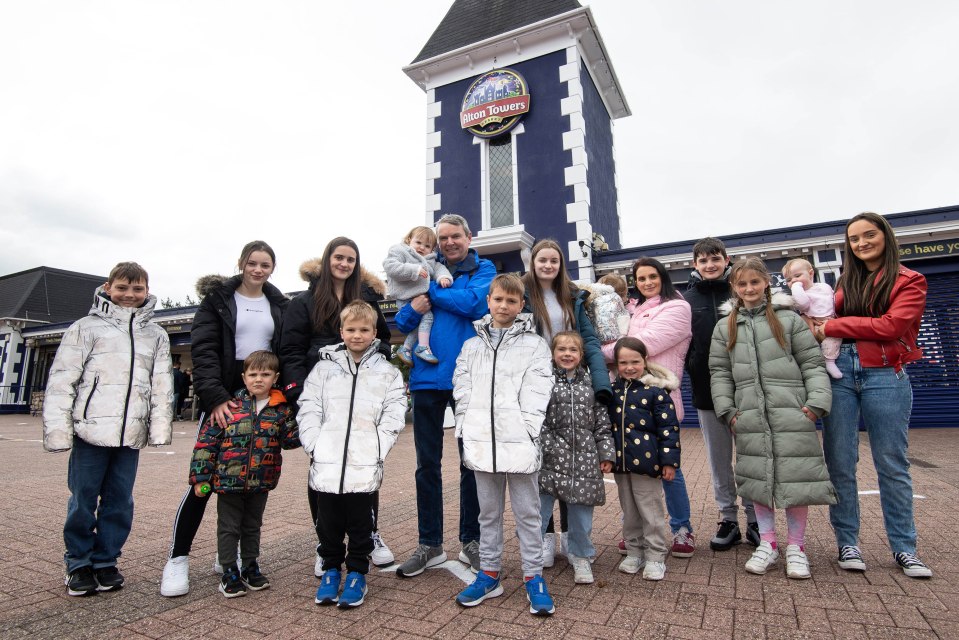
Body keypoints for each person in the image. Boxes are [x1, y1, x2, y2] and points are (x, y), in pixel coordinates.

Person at [161, 240, 288, 597]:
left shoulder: (278, 305)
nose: (258, 270)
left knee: (250, 481)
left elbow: (283, 353)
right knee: (204, 481)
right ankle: (178, 558)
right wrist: (215, 397)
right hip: (224, 400)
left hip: (260, 398)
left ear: (272, 268)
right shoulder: (217, 300)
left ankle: (233, 558)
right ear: (241, 264)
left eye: (265, 264)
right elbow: (203, 351)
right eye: (252, 263)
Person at [813, 212, 932, 578]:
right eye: (854, 239)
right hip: (841, 372)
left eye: (869, 235)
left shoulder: (911, 280)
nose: (862, 243)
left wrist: (832, 326)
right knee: (841, 462)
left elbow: (892, 325)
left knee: (892, 464)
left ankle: (904, 548)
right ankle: (847, 542)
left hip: (886, 372)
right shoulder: (844, 282)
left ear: (885, 236)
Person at [43, 262, 173, 596]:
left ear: (147, 290)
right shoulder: (85, 328)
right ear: (108, 287)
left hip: (130, 435)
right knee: (83, 499)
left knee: (119, 501)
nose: (130, 295)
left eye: (138, 289)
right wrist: (58, 429)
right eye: (123, 288)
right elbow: (62, 379)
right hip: (90, 431)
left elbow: (161, 384)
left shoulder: (155, 334)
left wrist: (158, 427)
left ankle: (106, 561)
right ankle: (78, 563)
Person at [710, 257, 836, 578]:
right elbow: (720, 372)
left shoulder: (789, 319)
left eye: (755, 282)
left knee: (797, 479)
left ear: (766, 282)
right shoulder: (725, 326)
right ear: (734, 288)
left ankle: (796, 547)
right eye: (742, 284)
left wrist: (816, 402)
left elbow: (811, 362)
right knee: (758, 480)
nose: (749, 288)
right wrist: (728, 410)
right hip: (749, 416)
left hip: (792, 412)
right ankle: (768, 542)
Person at [279, 237, 395, 574]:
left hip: (362, 396)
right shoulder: (304, 302)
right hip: (322, 395)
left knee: (365, 464)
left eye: (351, 259)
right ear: (328, 259)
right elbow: (290, 350)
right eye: (339, 257)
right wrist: (300, 393)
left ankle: (368, 535)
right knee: (324, 468)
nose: (344, 264)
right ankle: (326, 544)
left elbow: (384, 340)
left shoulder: (366, 299)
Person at [394, 214, 495, 577]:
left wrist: (432, 292)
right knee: (426, 466)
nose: (450, 242)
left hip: (467, 378)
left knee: (471, 463)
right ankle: (430, 544)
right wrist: (415, 306)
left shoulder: (485, 268)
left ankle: (471, 540)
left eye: (456, 236)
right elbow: (403, 322)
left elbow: (473, 305)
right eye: (444, 238)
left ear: (469, 237)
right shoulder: (424, 267)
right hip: (425, 380)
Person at [452, 274, 556, 615]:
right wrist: (467, 427)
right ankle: (490, 574)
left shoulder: (536, 345)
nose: (504, 306)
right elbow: (462, 386)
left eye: (512, 301)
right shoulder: (472, 345)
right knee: (489, 513)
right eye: (498, 299)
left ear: (521, 305)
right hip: (482, 443)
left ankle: (533, 576)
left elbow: (539, 390)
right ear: (489, 301)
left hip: (521, 443)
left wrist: (527, 429)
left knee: (529, 513)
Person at [300, 301, 407, 608]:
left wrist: (377, 445)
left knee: (362, 522)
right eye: (351, 329)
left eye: (364, 330)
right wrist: (314, 443)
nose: (357, 335)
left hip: (364, 461)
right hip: (327, 461)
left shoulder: (387, 372)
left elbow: (395, 412)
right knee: (328, 520)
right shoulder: (323, 369)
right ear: (341, 331)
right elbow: (309, 407)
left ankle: (358, 572)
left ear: (374, 332)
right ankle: (332, 569)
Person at [521, 239, 612, 566]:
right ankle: (545, 538)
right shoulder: (523, 294)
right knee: (542, 464)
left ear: (560, 264)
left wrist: (601, 382)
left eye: (553, 261)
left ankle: (574, 542)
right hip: (536, 383)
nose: (547, 266)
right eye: (542, 260)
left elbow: (588, 339)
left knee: (571, 461)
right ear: (533, 262)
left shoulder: (572, 296)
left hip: (571, 380)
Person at [602, 257, 695, 557]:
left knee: (668, 467)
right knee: (632, 469)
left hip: (659, 397)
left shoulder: (677, 307)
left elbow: (642, 344)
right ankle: (637, 531)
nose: (647, 283)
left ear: (663, 276)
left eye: (652, 277)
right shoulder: (634, 308)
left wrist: (596, 350)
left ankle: (682, 528)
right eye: (641, 279)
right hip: (628, 398)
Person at [189, 351, 300, 598]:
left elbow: (291, 441)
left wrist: (307, 418)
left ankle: (250, 565)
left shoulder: (281, 410)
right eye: (253, 374)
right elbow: (206, 443)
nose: (258, 379)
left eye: (265, 374)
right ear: (244, 376)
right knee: (228, 527)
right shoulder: (229, 406)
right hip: (227, 482)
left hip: (261, 481)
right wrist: (200, 477)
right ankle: (229, 569)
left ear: (276, 377)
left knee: (252, 526)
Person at [683, 237, 759, 551]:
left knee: (751, 457)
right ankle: (728, 518)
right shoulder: (685, 300)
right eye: (703, 260)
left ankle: (756, 520)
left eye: (715, 258)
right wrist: (691, 366)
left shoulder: (741, 291)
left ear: (726, 260)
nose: (710, 265)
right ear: (695, 265)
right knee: (719, 460)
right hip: (706, 391)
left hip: (747, 390)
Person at [538, 331, 615, 585]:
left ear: (581, 355)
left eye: (573, 350)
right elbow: (537, 420)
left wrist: (606, 453)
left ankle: (581, 555)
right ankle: (534, 552)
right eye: (561, 349)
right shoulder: (543, 381)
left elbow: (602, 424)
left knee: (581, 514)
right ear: (553, 353)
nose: (567, 354)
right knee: (539, 510)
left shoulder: (592, 384)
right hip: (549, 458)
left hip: (584, 459)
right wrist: (545, 448)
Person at [608, 336, 679, 581]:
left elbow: (668, 429)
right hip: (622, 464)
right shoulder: (613, 391)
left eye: (635, 361)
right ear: (616, 364)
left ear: (645, 361)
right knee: (629, 510)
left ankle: (656, 555)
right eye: (623, 362)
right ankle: (634, 551)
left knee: (650, 510)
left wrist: (669, 462)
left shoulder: (656, 392)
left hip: (648, 465)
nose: (629, 367)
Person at [383, 225, 453, 365]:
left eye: (427, 246)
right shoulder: (400, 251)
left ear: (432, 249)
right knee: (424, 319)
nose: (421, 248)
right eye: (418, 242)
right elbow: (390, 266)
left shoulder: (430, 260)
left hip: (420, 299)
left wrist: (443, 278)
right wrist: (414, 270)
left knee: (425, 319)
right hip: (404, 297)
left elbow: (440, 269)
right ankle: (417, 347)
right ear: (409, 240)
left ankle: (410, 347)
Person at [783, 258, 843, 379]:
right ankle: (829, 362)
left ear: (810, 274)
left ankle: (829, 360)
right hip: (815, 323)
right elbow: (803, 304)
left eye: (797, 276)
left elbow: (833, 300)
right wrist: (796, 287)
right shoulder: (799, 295)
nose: (794, 280)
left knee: (835, 338)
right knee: (827, 341)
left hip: (830, 319)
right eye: (789, 280)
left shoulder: (824, 287)